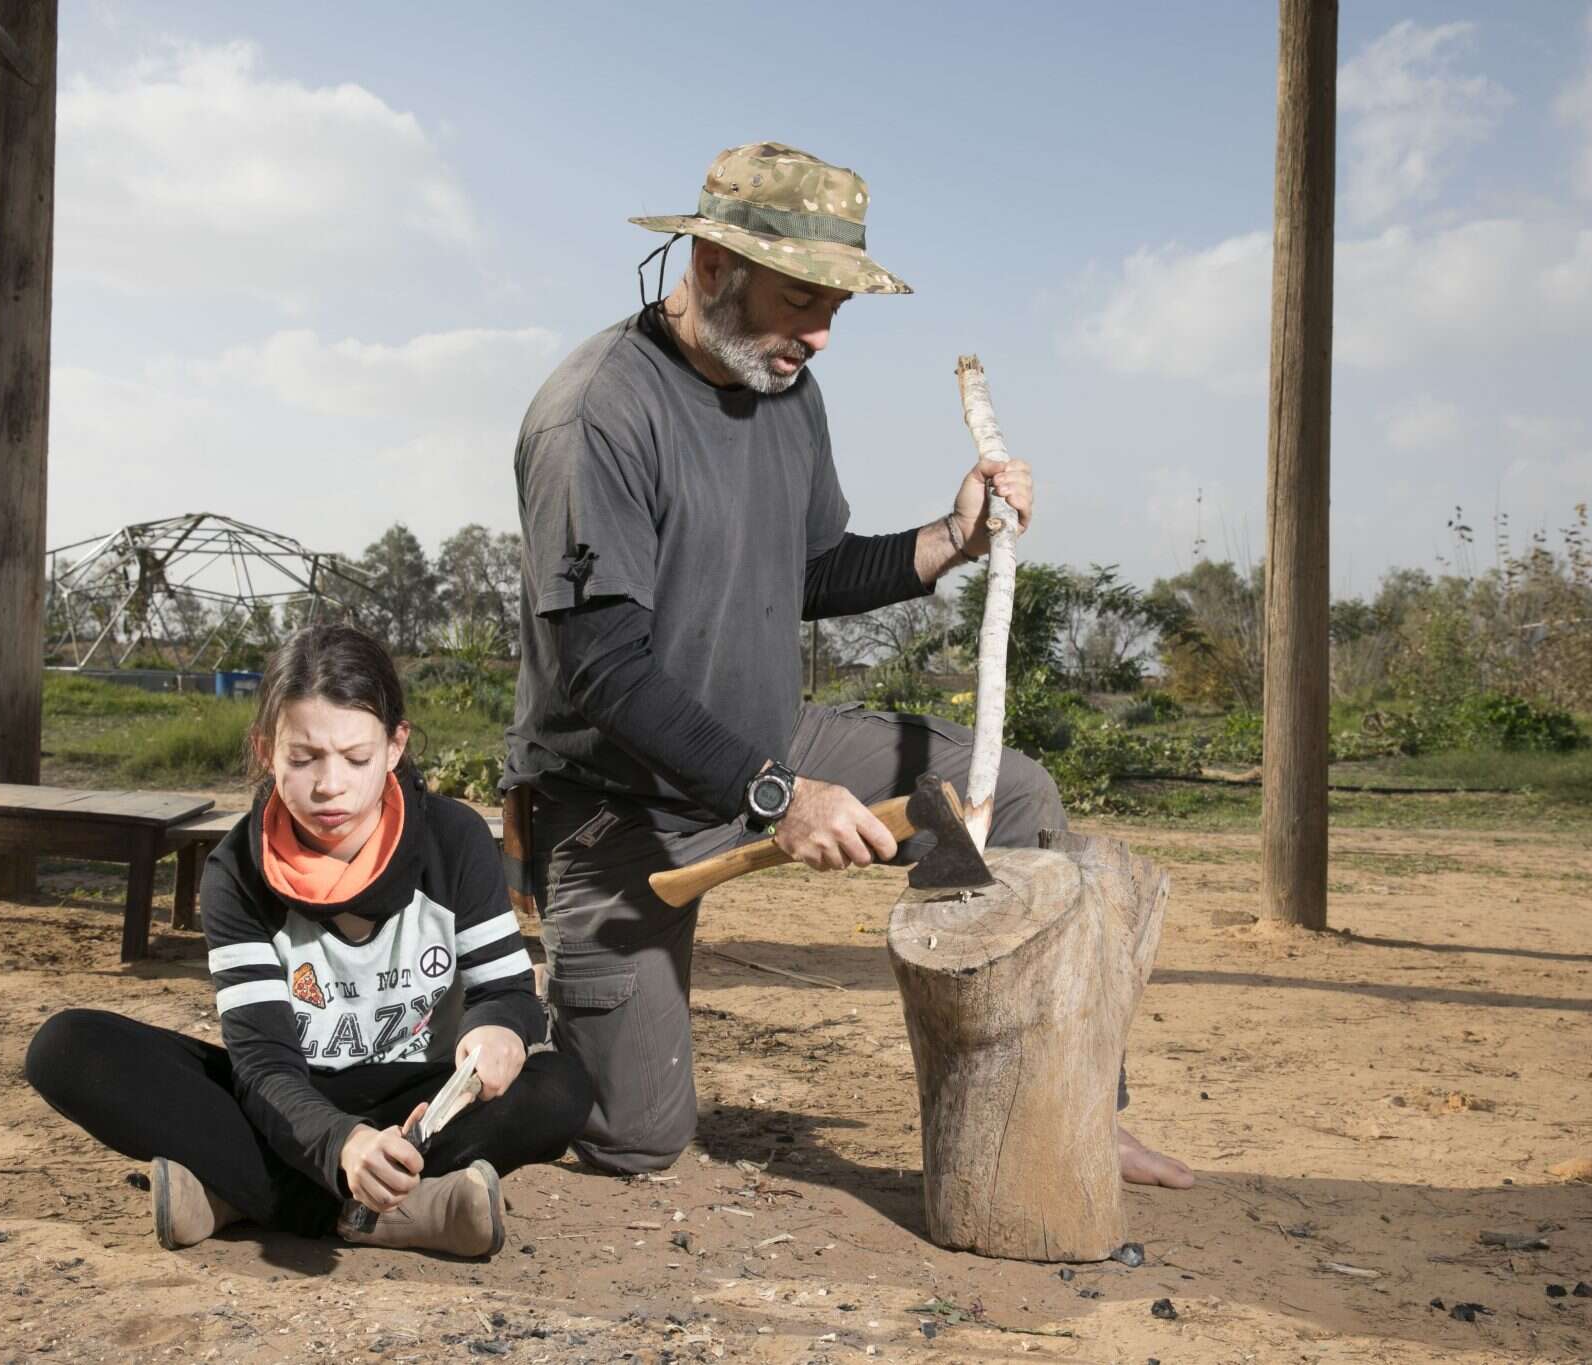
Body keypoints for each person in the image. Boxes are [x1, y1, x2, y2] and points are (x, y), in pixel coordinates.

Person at [505, 142, 1191, 1189]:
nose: (818, 337)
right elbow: (599, 669)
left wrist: (950, 538)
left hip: (763, 738)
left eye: (835, 309)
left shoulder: (785, 386)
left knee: (1007, 799)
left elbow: (812, 570)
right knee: (637, 1139)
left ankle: (1065, 1095)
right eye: (798, 302)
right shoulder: (598, 410)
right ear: (707, 270)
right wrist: (777, 794)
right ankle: (491, 1025)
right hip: (617, 799)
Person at [26, 624, 591, 1255]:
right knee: (67, 1048)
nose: (330, 786)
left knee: (561, 1086)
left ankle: (233, 1194)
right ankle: (391, 1212)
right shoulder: (236, 871)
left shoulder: (453, 839)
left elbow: (507, 989)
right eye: (303, 759)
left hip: (419, 1105)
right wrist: (343, 1144)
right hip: (289, 1101)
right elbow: (263, 1066)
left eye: (356, 758)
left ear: (395, 746)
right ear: (266, 750)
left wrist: (499, 1030)